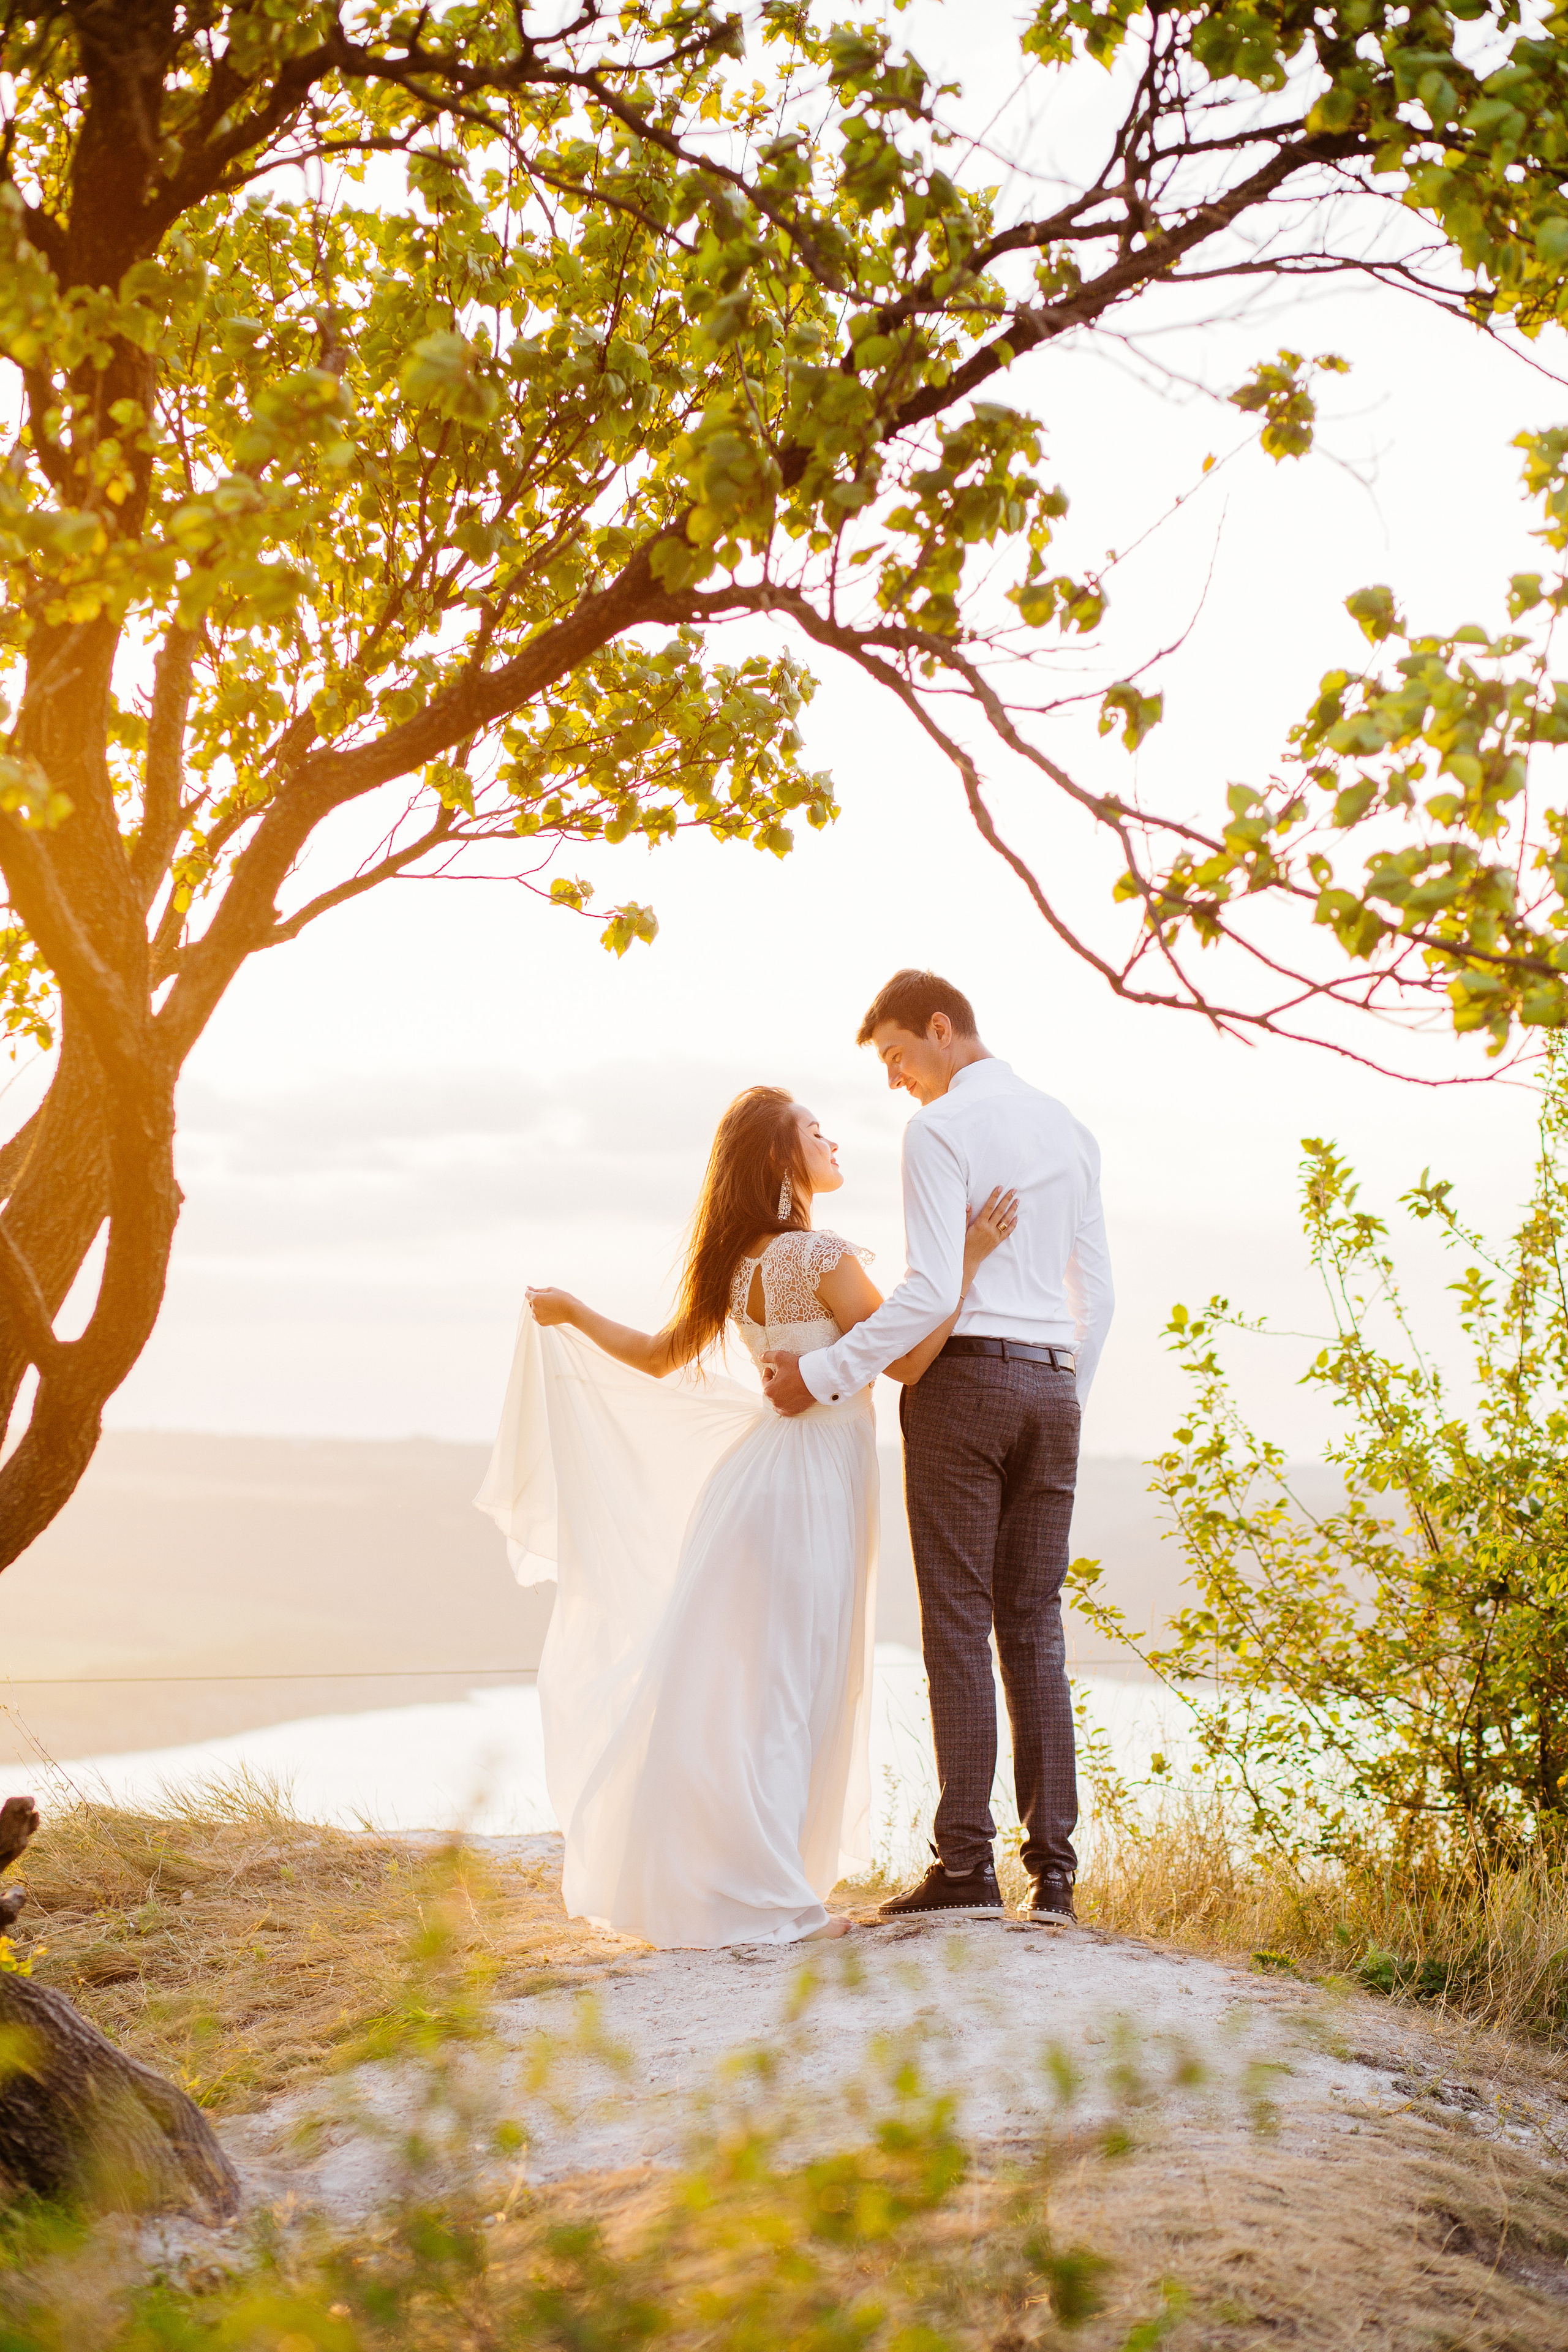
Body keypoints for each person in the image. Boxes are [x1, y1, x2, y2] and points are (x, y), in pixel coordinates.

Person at [476, 1084, 1017, 1950]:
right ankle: (773, 1898)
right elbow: (911, 1359)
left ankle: (745, 1881)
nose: (831, 1141)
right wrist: (971, 1256)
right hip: (810, 1488)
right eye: (814, 1131)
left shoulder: (740, 1269)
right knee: (792, 1684)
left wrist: (575, 1310)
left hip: (756, 1482)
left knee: (755, 1686)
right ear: (778, 1159)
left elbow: (657, 1357)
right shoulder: (820, 1256)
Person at [762, 972, 1114, 1925]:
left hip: (963, 1387)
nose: (896, 1083)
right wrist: (1059, 1393)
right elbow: (1103, 1298)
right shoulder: (1070, 1130)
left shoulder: (943, 1129)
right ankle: (1056, 1877)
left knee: (958, 1623)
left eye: (897, 1058)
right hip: (1054, 1385)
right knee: (1035, 1629)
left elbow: (925, 1294)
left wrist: (823, 1373)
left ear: (941, 1027)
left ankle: (966, 1869)